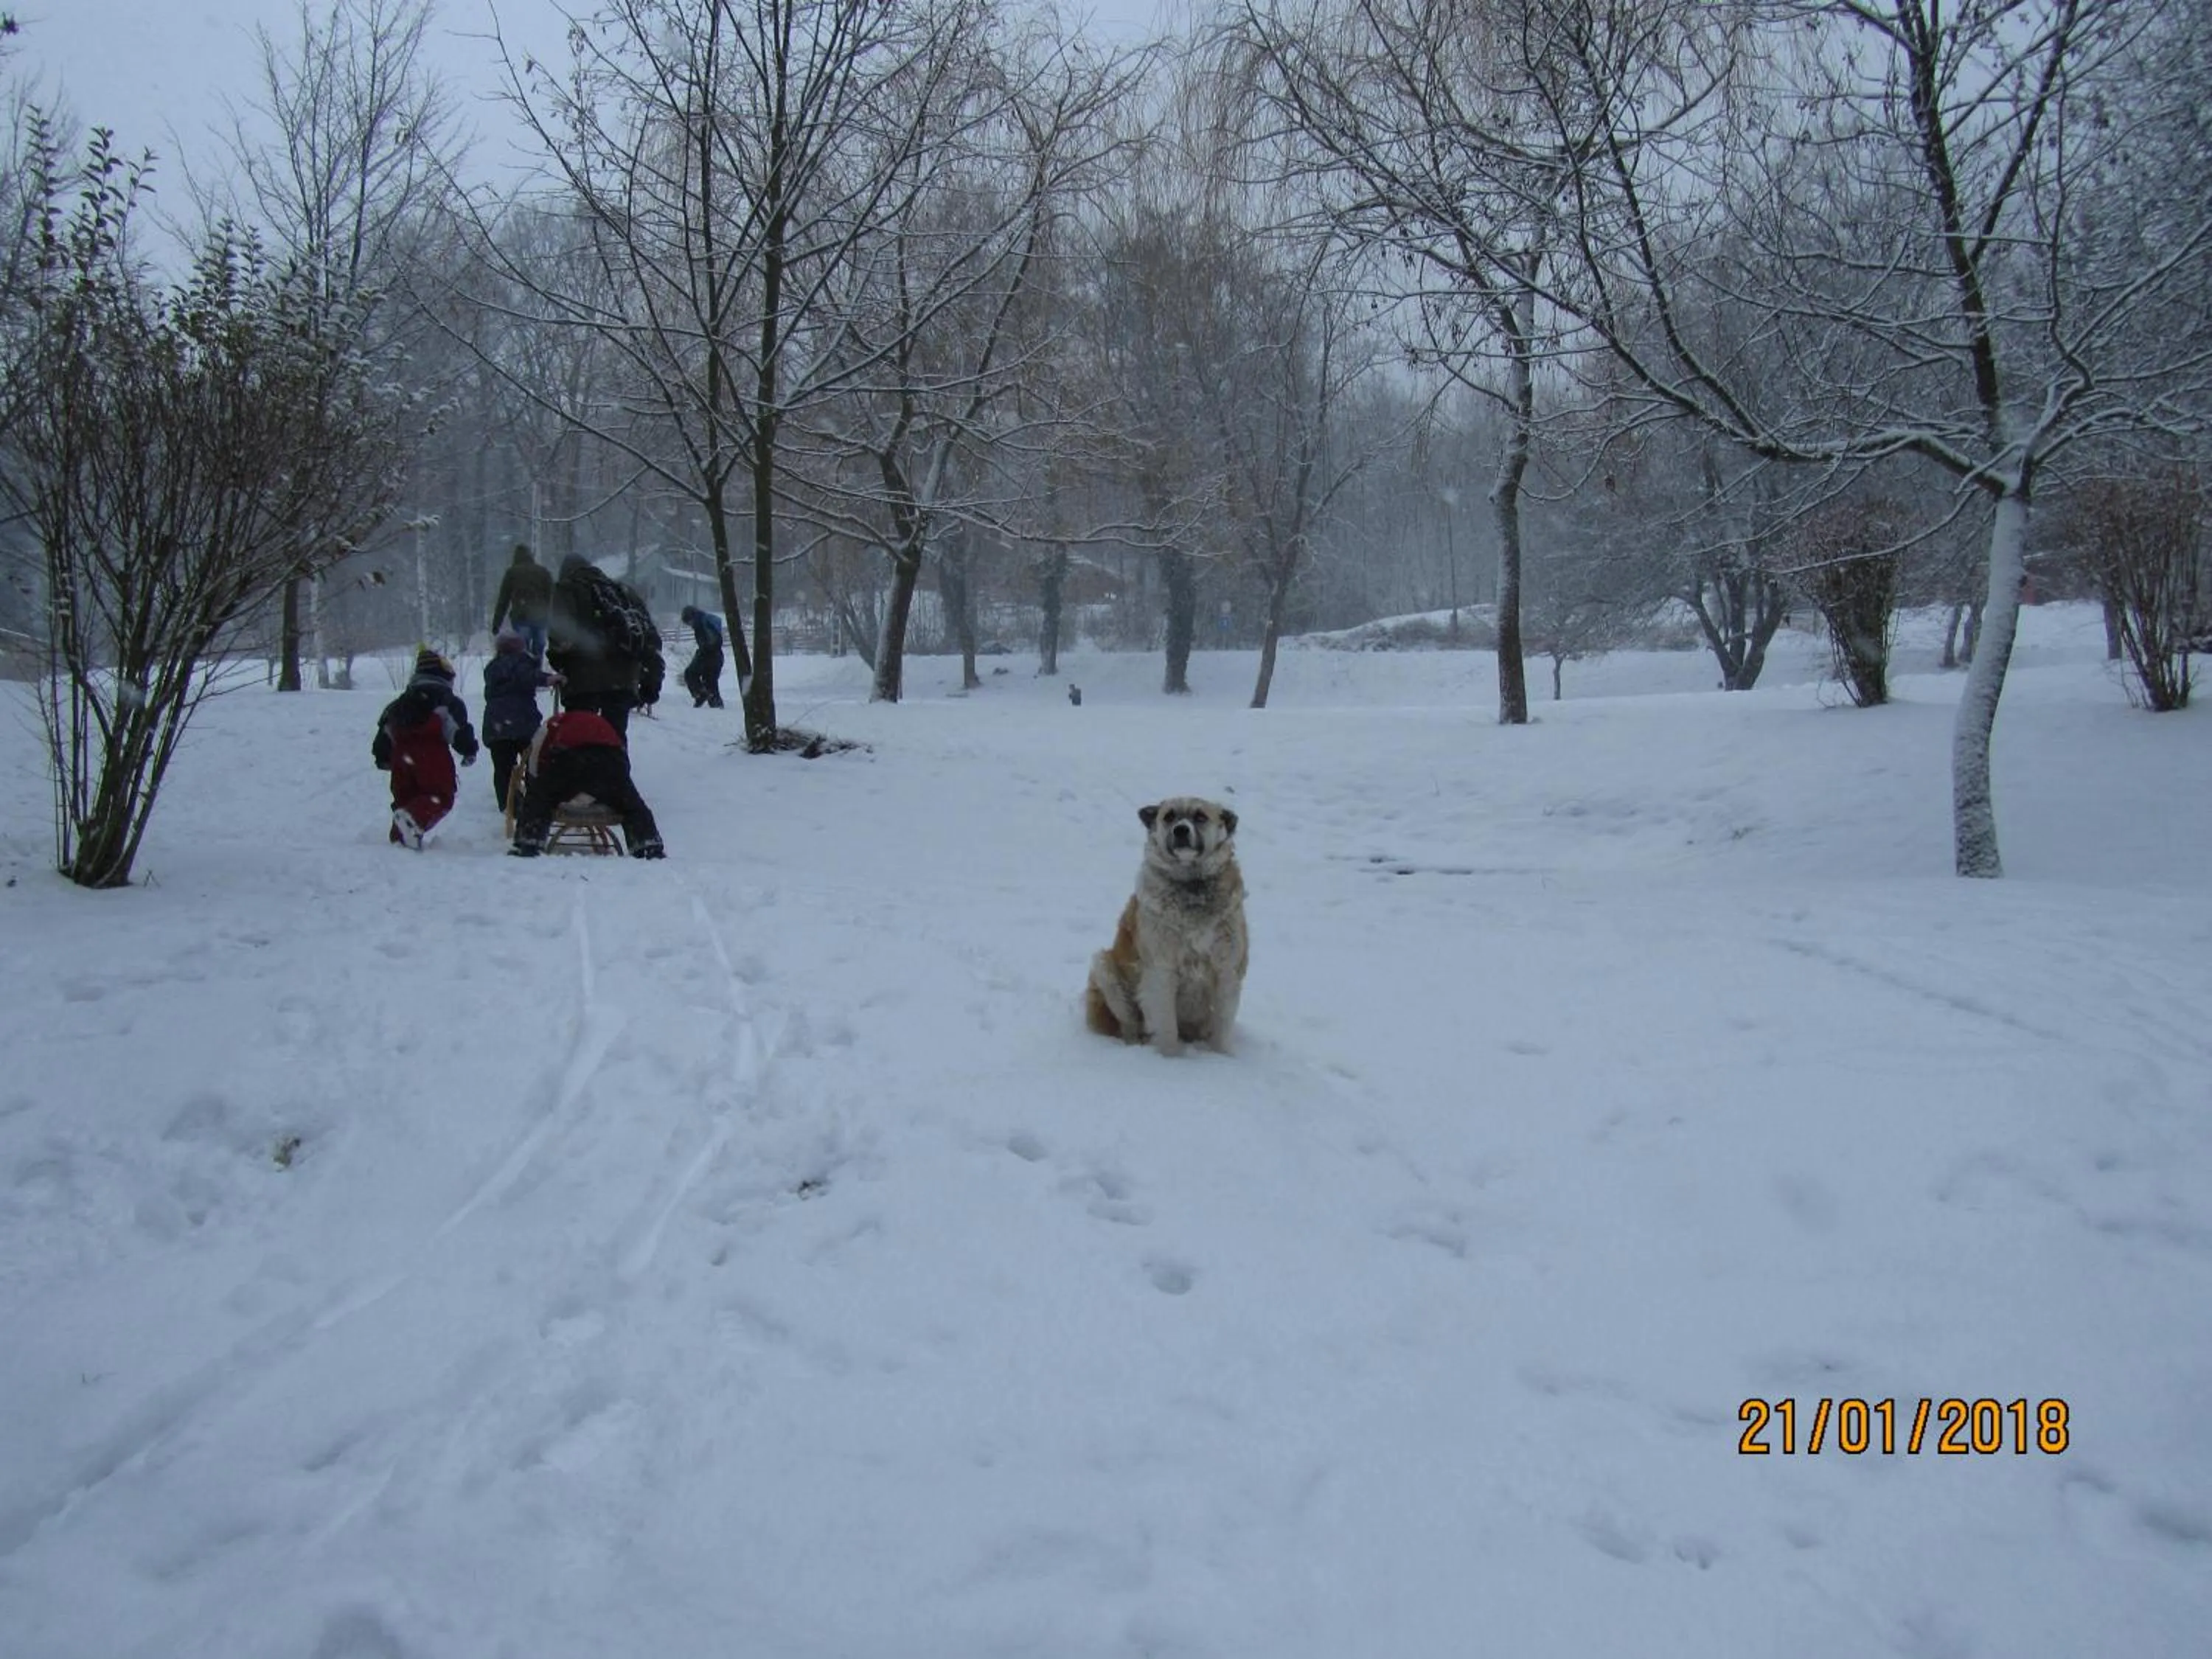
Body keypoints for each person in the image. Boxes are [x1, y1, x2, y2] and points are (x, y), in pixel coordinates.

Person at [508, 708, 666, 859]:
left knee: (539, 798)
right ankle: (647, 844)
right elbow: (622, 755)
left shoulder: (555, 722)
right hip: (610, 762)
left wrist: (536, 784)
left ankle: (529, 842)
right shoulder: (602, 723)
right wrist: (621, 784)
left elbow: (535, 757)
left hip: (568, 760)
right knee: (632, 805)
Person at [372, 648, 479, 849]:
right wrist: (468, 750)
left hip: (400, 756)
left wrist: (383, 757)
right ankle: (410, 824)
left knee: (406, 798)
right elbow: (457, 730)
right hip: (431, 754)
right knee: (439, 797)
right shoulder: (447, 701)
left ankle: (401, 841)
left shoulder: (398, 705)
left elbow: (384, 733)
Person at [546, 554, 648, 737]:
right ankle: (615, 763)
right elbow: (648, 635)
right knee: (615, 737)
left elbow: (560, 639)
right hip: (622, 678)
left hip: (582, 680)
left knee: (581, 738)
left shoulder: (566, 589)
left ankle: (586, 764)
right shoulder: (620, 591)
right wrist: (650, 680)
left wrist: (558, 662)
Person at [481, 626, 559, 810]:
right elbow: (527, 676)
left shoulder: (492, 668)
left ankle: (508, 804)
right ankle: (534, 800)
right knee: (534, 763)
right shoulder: (522, 663)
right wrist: (549, 679)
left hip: (496, 726)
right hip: (522, 724)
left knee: (503, 768)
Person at [490, 543, 554, 661]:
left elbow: (503, 600)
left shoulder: (512, 573)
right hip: (540, 618)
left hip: (521, 617)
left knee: (522, 651)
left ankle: (525, 675)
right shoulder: (543, 572)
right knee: (538, 651)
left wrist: (496, 624)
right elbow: (551, 597)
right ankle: (536, 674)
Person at [679, 605, 726, 708]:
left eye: (688, 622)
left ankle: (702, 695)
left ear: (691, 617)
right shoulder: (704, 621)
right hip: (716, 655)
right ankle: (715, 704)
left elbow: (714, 640)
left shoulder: (701, 623)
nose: (689, 625)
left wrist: (705, 649)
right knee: (710, 681)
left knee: (691, 674)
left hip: (708, 654)